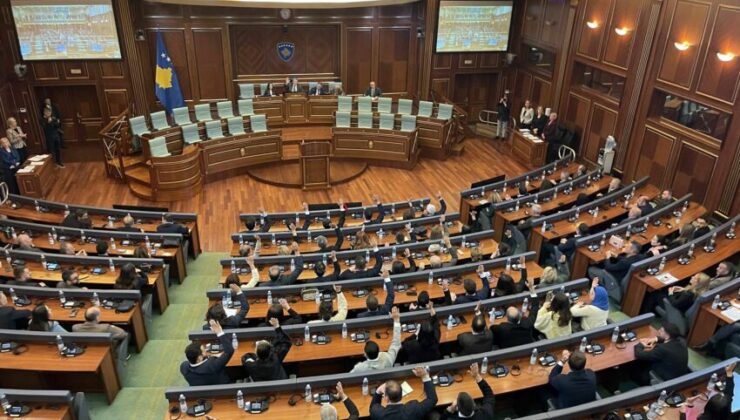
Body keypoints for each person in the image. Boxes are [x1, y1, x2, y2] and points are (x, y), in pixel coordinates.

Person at [370, 366, 437, 420]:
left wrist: (378, 391)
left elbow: (372, 408)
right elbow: (432, 399)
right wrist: (425, 376)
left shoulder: (378, 413)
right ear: (401, 394)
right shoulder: (414, 409)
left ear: (386, 398)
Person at [181, 319, 234, 386]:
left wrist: (210, 357)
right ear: (200, 357)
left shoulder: (184, 367)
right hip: (223, 389)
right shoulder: (212, 365)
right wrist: (219, 332)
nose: (206, 350)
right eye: (204, 351)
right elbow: (229, 351)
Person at [491, 276, 538, 348]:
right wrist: (531, 288)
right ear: (520, 315)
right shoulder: (528, 323)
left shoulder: (502, 328)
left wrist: (492, 323)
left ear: (507, 318)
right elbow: (535, 306)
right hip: (527, 348)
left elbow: (491, 328)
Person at [350, 307, 401, 373]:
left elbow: (349, 375)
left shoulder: (359, 368)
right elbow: (396, 344)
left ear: (365, 354)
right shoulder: (388, 359)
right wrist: (396, 321)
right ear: (379, 351)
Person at [241, 316, 292, 381]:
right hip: (281, 385)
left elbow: (244, 357)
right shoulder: (276, 358)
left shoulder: (251, 365)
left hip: (262, 387)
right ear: (270, 351)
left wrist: (255, 357)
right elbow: (286, 342)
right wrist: (277, 326)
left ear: (256, 353)